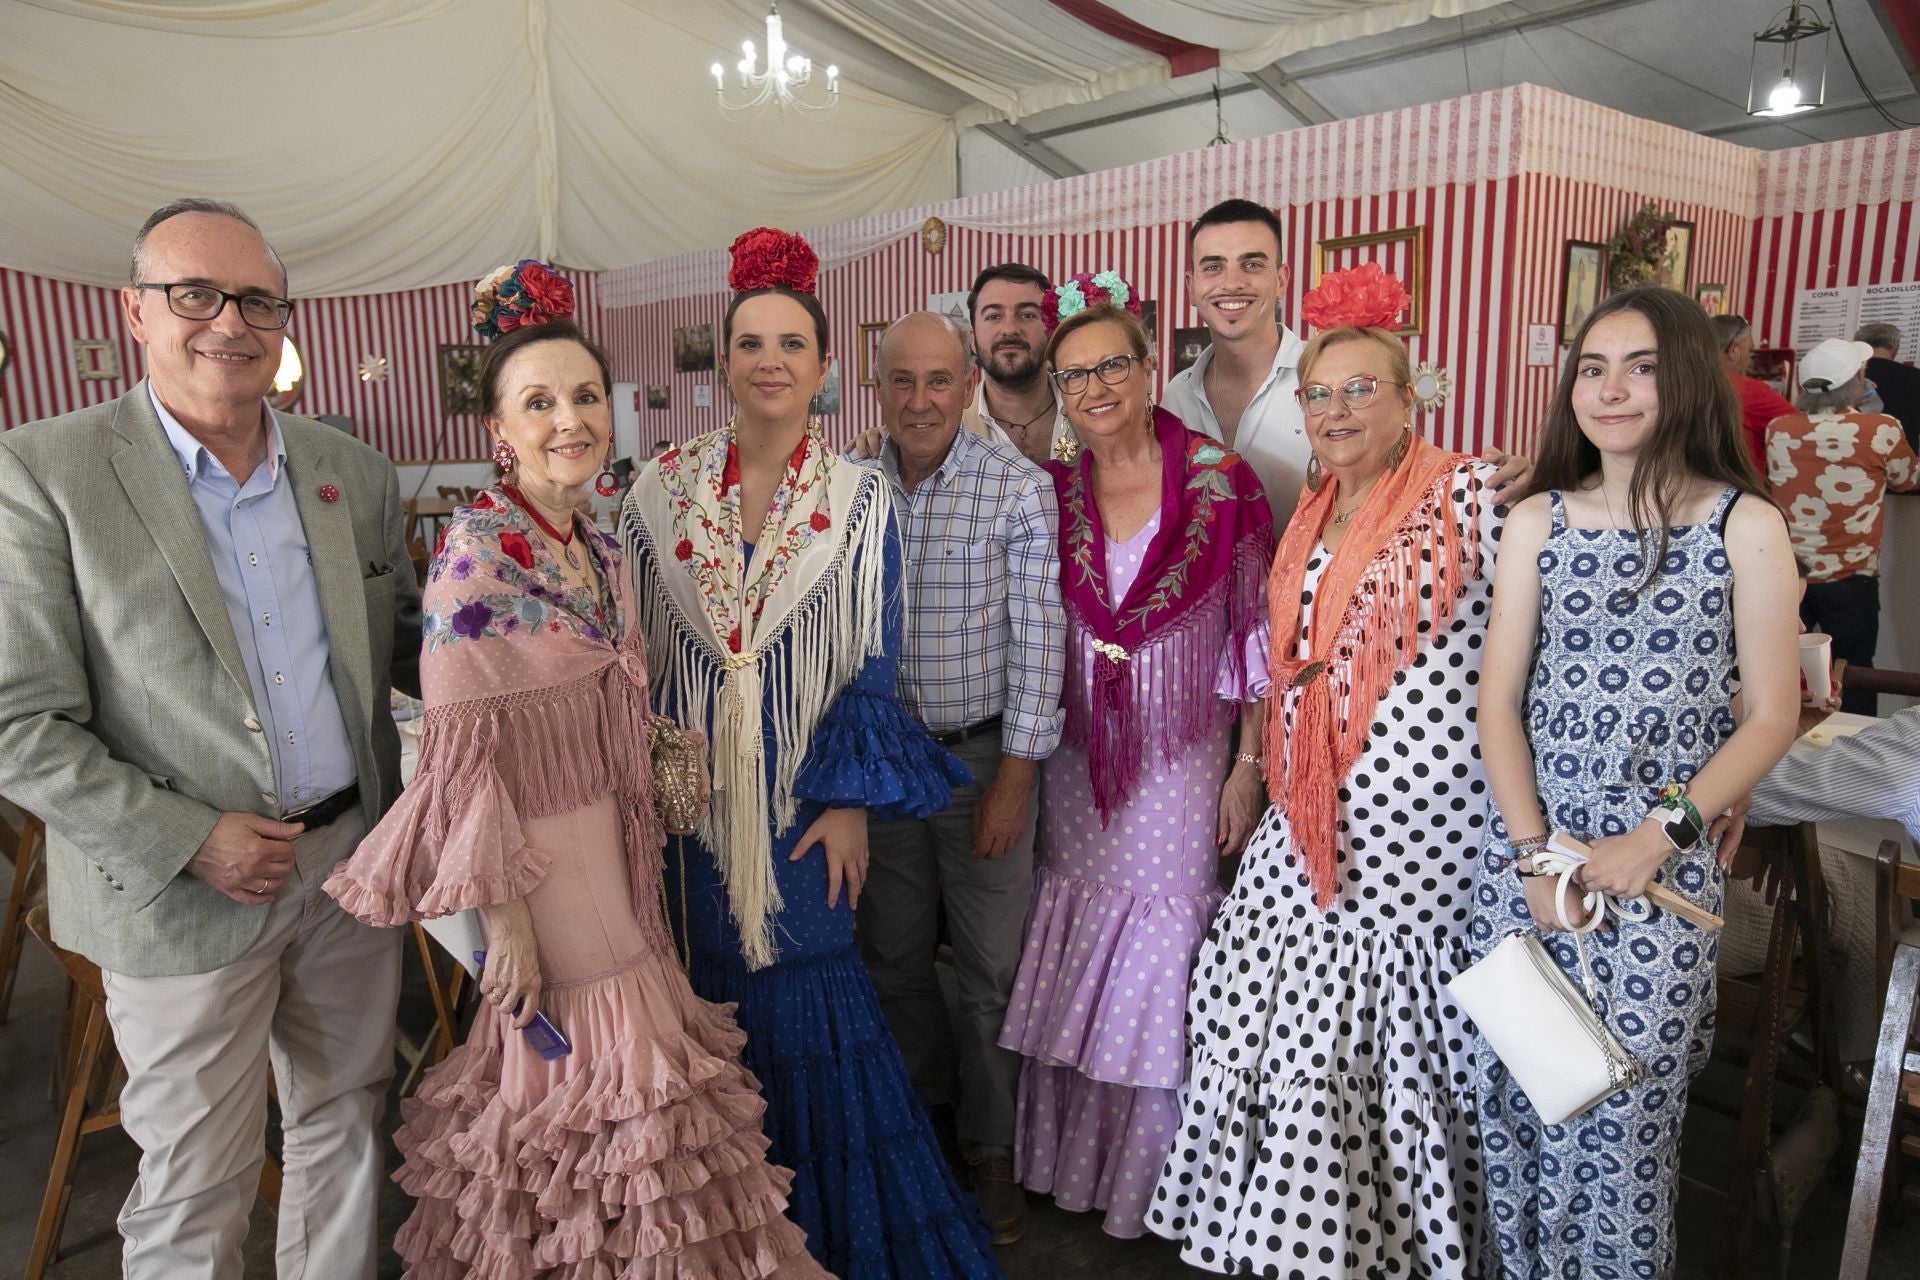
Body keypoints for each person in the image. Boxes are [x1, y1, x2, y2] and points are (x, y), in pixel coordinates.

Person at [324, 271, 824, 1278]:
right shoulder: (476, 554)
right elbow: (459, 758)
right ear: (499, 429)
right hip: (539, 864)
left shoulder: (598, 542)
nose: (570, 420)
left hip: (613, 841)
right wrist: (502, 915)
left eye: (586, 397)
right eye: (540, 402)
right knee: (601, 1078)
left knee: (612, 1081)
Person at [0, 199, 421, 1280]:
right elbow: (18, 723)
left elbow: (413, 647)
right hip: (182, 893)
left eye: (257, 300)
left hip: (348, 866)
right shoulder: (44, 471)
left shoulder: (352, 471)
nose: (230, 321)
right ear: (136, 311)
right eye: (195, 294)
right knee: (197, 1180)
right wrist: (190, 838)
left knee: (345, 1122)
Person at [622, 229, 1004, 1279]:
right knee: (704, 984)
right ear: (722, 361)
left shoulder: (858, 498)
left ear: (826, 366)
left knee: (812, 989)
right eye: (751, 342)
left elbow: (874, 656)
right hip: (692, 803)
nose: (771, 361)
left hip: (804, 799)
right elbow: (632, 651)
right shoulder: (659, 491)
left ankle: (826, 1239)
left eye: (792, 343)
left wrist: (845, 803)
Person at [1147, 276, 1506, 1277]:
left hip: (1420, 813)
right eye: (1319, 392)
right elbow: (1281, 659)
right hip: (1309, 798)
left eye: (1360, 389)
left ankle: (1399, 1245)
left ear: (1408, 398)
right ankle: (1295, 1237)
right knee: (1259, 1002)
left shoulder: (1470, 495)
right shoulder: (1310, 510)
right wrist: (1255, 763)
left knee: (1388, 1033)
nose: (1336, 409)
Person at [1473, 285, 1801, 1280]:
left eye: (1642, 367)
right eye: (1593, 367)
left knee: (1623, 1128)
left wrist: (1657, 837)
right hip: (1531, 863)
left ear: (1688, 378)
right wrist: (1534, 854)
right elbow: (1499, 704)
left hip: (1661, 877)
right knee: (1518, 1110)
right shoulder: (1539, 520)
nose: (1611, 390)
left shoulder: (1745, 524)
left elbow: (1772, 714)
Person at [996, 274, 1274, 1238]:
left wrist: (1247, 765)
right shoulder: (1053, 490)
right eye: (1074, 375)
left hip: (1182, 752)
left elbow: (1256, 633)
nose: (1096, 387)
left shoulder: (1221, 481)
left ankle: (1156, 1188)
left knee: (1163, 942)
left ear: (1152, 366)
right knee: (1075, 926)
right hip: (1078, 754)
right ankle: (1065, 1164)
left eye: (1112, 364)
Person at [855, 312, 1065, 1245]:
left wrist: (1014, 780)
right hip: (882, 762)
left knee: (989, 970)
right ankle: (927, 1118)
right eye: (901, 381)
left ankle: (992, 1148)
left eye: (939, 379)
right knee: (894, 957)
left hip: (982, 759)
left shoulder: (1017, 488)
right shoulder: (851, 487)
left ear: (969, 383)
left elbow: (1041, 646)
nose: (920, 400)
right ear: (878, 389)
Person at [1162, 198, 1530, 524]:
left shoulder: (1334, 376)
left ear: (1281, 279)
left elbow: (1407, 469)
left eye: (1252, 264)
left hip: (1326, 577)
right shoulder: (1175, 396)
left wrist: (1491, 481)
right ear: (1192, 286)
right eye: (1213, 267)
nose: (1232, 283)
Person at [1766, 336, 1919, 715]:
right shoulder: (1880, 428)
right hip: (1851, 577)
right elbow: (1908, 479)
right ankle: (1853, 743)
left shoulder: (1779, 428)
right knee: (1854, 672)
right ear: (1856, 382)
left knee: (1786, 671)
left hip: (1791, 575)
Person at [959, 263, 1076, 465]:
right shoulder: (953, 430)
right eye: (993, 316)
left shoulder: (1088, 410)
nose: (1010, 329)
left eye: (1027, 315)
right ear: (973, 340)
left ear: (1052, 330)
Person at [1712, 312, 1794, 477]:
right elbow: (1799, 428)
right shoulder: (1749, 390)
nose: (1750, 361)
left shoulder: (1684, 386)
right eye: (1750, 352)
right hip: (1740, 485)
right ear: (1733, 351)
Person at [1858, 320, 1920, 449]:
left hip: (1855, 450)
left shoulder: (1848, 376)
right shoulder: (1915, 376)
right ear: (1895, 349)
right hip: (1902, 451)